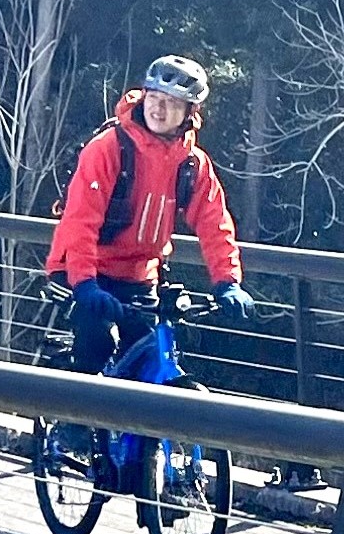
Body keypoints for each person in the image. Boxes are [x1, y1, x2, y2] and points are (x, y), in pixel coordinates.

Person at [47, 54, 254, 377]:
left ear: (190, 112)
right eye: (153, 98)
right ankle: (74, 425)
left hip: (139, 276)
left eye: (171, 103)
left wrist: (227, 281)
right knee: (96, 342)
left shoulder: (192, 163)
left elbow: (215, 222)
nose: (158, 109)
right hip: (85, 269)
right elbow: (80, 220)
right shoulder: (109, 148)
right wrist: (85, 283)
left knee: (147, 359)